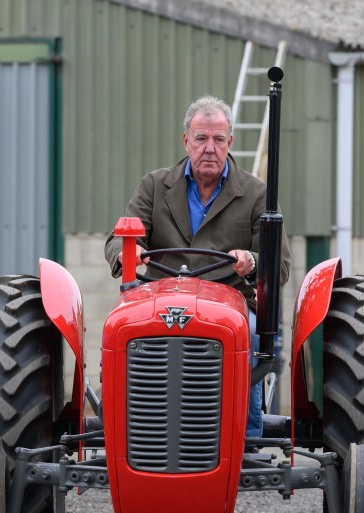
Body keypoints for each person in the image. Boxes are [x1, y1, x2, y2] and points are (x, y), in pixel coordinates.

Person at [104, 95, 291, 439]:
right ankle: (131, 433)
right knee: (121, 330)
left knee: (247, 333)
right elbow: (118, 238)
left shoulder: (256, 194)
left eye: (218, 139)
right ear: (186, 140)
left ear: (230, 142)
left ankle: (245, 438)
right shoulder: (155, 186)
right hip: (159, 298)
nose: (210, 148)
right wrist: (128, 252)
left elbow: (278, 267)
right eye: (201, 138)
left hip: (229, 302)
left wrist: (251, 263)